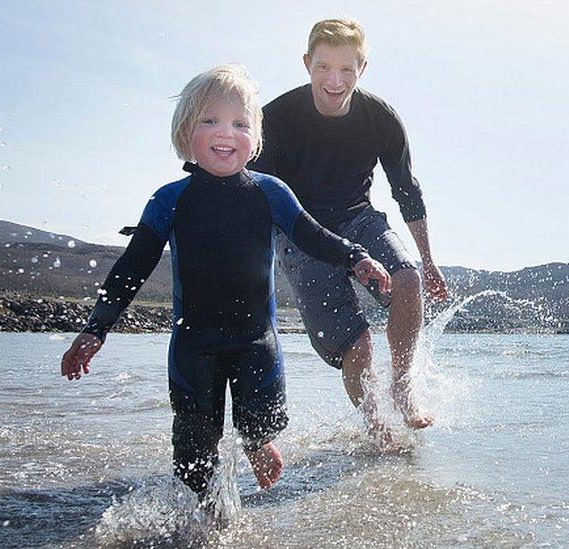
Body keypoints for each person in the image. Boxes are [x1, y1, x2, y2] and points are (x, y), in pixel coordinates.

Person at [59, 64, 391, 498]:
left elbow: (311, 235)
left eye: (240, 123)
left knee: (262, 423)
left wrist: (356, 256)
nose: (226, 132)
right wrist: (96, 327)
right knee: (193, 460)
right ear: (185, 132)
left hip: (257, 342)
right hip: (194, 346)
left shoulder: (270, 192)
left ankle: (256, 442)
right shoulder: (169, 201)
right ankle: (207, 521)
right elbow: (131, 267)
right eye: (210, 120)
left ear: (254, 138)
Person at [249, 18, 448, 433]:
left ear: (362, 69)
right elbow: (254, 195)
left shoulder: (381, 119)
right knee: (358, 347)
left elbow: (406, 191)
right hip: (300, 231)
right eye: (324, 67)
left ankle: (404, 387)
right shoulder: (276, 120)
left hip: (358, 218)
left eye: (346, 69)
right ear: (307, 64)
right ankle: (377, 428)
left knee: (407, 279)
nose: (335, 81)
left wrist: (428, 260)